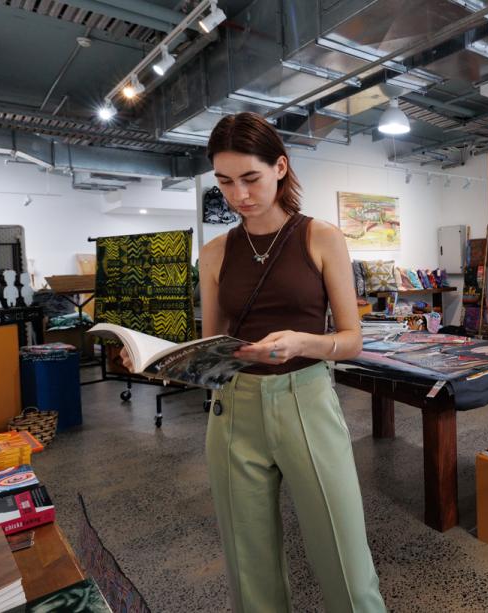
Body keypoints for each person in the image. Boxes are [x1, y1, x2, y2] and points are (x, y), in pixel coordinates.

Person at [121, 113, 386, 612]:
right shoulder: (216, 252)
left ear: (280, 167)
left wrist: (304, 344)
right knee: (249, 566)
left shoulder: (320, 237)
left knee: (345, 561)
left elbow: (351, 340)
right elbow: (211, 346)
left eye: (250, 178)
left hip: (305, 399)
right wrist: (152, 360)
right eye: (224, 182)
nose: (238, 194)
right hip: (233, 408)